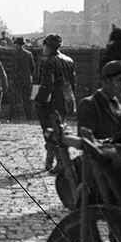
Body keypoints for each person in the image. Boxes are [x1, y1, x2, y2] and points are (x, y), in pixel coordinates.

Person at [34, 34, 76, 173]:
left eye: (44, 45)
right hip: (66, 101)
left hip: (52, 102)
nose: (43, 48)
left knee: (50, 132)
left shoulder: (48, 61)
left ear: (48, 46)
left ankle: (59, 162)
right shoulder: (69, 60)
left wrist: (37, 100)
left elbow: (46, 84)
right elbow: (73, 83)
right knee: (57, 130)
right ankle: (50, 162)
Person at [77, 60, 121, 139]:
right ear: (106, 80)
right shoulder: (89, 104)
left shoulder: (119, 107)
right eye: (120, 80)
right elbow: (86, 140)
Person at [9, 37, 35, 120]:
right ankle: (29, 116)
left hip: (19, 78)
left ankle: (13, 116)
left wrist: (12, 78)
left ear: (18, 45)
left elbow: (14, 68)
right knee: (26, 98)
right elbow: (33, 67)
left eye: (16, 44)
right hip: (27, 78)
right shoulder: (29, 54)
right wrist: (30, 76)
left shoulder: (15, 54)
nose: (16, 46)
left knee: (15, 97)